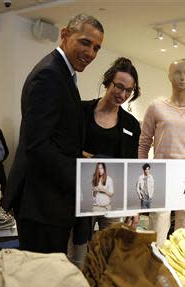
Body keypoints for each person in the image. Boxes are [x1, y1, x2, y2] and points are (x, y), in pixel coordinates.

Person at [3, 14, 104, 254]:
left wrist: (77, 153)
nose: (91, 53)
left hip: (48, 203)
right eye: (85, 42)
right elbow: (37, 145)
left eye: (97, 48)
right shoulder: (50, 74)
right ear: (65, 35)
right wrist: (80, 175)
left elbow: (51, 135)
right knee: (42, 282)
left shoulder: (62, 74)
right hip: (41, 204)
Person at [70, 57, 141, 268]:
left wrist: (134, 207)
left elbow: (133, 165)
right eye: (119, 86)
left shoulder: (130, 124)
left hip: (114, 198)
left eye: (129, 90)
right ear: (108, 82)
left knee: (111, 259)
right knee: (78, 258)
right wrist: (86, 157)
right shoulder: (81, 112)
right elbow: (64, 147)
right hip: (81, 198)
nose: (123, 94)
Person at [139, 59, 185, 246]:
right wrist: (141, 174)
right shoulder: (156, 107)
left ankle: (181, 272)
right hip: (161, 173)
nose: (183, 77)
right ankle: (155, 269)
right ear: (169, 75)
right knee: (158, 229)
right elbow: (144, 143)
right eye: (177, 72)